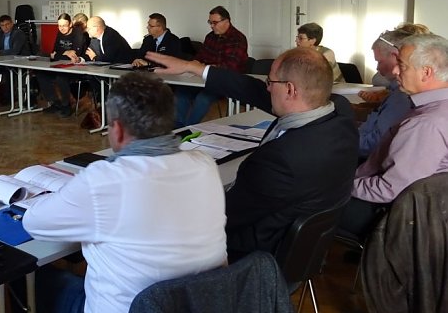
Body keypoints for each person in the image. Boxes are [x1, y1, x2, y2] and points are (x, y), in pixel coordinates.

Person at [11, 72, 226, 313]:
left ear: (118, 130)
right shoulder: (204, 164)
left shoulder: (104, 181)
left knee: (27, 281)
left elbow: (34, 223)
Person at [147, 47, 358, 259]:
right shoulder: (340, 113)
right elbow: (253, 90)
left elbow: (222, 216)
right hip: (305, 248)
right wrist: (194, 68)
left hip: (254, 254)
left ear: (290, 90)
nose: (266, 89)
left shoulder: (281, 160)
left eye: (270, 82)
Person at [339, 34, 448, 239]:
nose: (396, 71)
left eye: (402, 65)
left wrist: (338, 184)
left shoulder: (425, 125)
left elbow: (389, 190)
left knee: (304, 198)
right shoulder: (435, 109)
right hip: (422, 211)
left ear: (426, 72)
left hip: (390, 214)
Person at [172, 6, 248, 127]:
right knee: (181, 93)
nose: (212, 26)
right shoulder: (210, 37)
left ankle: (189, 128)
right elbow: (200, 56)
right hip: (204, 78)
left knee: (203, 98)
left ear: (227, 21)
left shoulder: (238, 39)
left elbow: (229, 67)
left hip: (226, 81)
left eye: (215, 22)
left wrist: (205, 67)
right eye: (210, 22)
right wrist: (195, 62)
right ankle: (179, 127)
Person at [357, 29, 415, 159]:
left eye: (379, 61)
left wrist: (342, 141)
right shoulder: (396, 92)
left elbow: (374, 144)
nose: (377, 68)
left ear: (395, 57)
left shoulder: (402, 96)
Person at [37, 13, 88, 117]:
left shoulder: (78, 33)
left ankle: (66, 105)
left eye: (64, 25)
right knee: (41, 74)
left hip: (77, 67)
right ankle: (55, 103)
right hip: (60, 64)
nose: (62, 28)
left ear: (70, 24)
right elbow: (54, 52)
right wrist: (65, 53)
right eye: (59, 26)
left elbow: (75, 55)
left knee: (61, 77)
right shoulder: (59, 32)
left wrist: (59, 54)